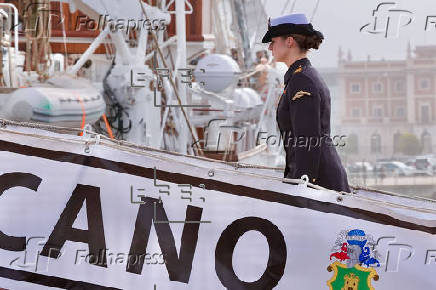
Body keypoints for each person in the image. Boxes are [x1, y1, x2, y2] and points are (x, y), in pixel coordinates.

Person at [262, 13, 351, 193]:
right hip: (316, 178)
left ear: (289, 41)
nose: (270, 47)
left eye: (273, 41)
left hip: (319, 183)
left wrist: (303, 184)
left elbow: (308, 140)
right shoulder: (300, 76)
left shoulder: (302, 80)